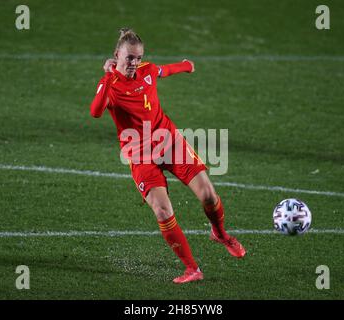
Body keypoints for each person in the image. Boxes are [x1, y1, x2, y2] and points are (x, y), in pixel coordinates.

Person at [90, 28, 246, 284]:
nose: (134, 63)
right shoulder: (110, 85)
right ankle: (192, 269)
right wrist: (107, 76)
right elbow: (96, 111)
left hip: (169, 141)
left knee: (208, 193)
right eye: (129, 57)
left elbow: (164, 70)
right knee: (162, 211)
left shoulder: (147, 71)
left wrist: (185, 66)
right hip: (140, 154)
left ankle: (220, 234)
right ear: (117, 54)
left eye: (138, 58)